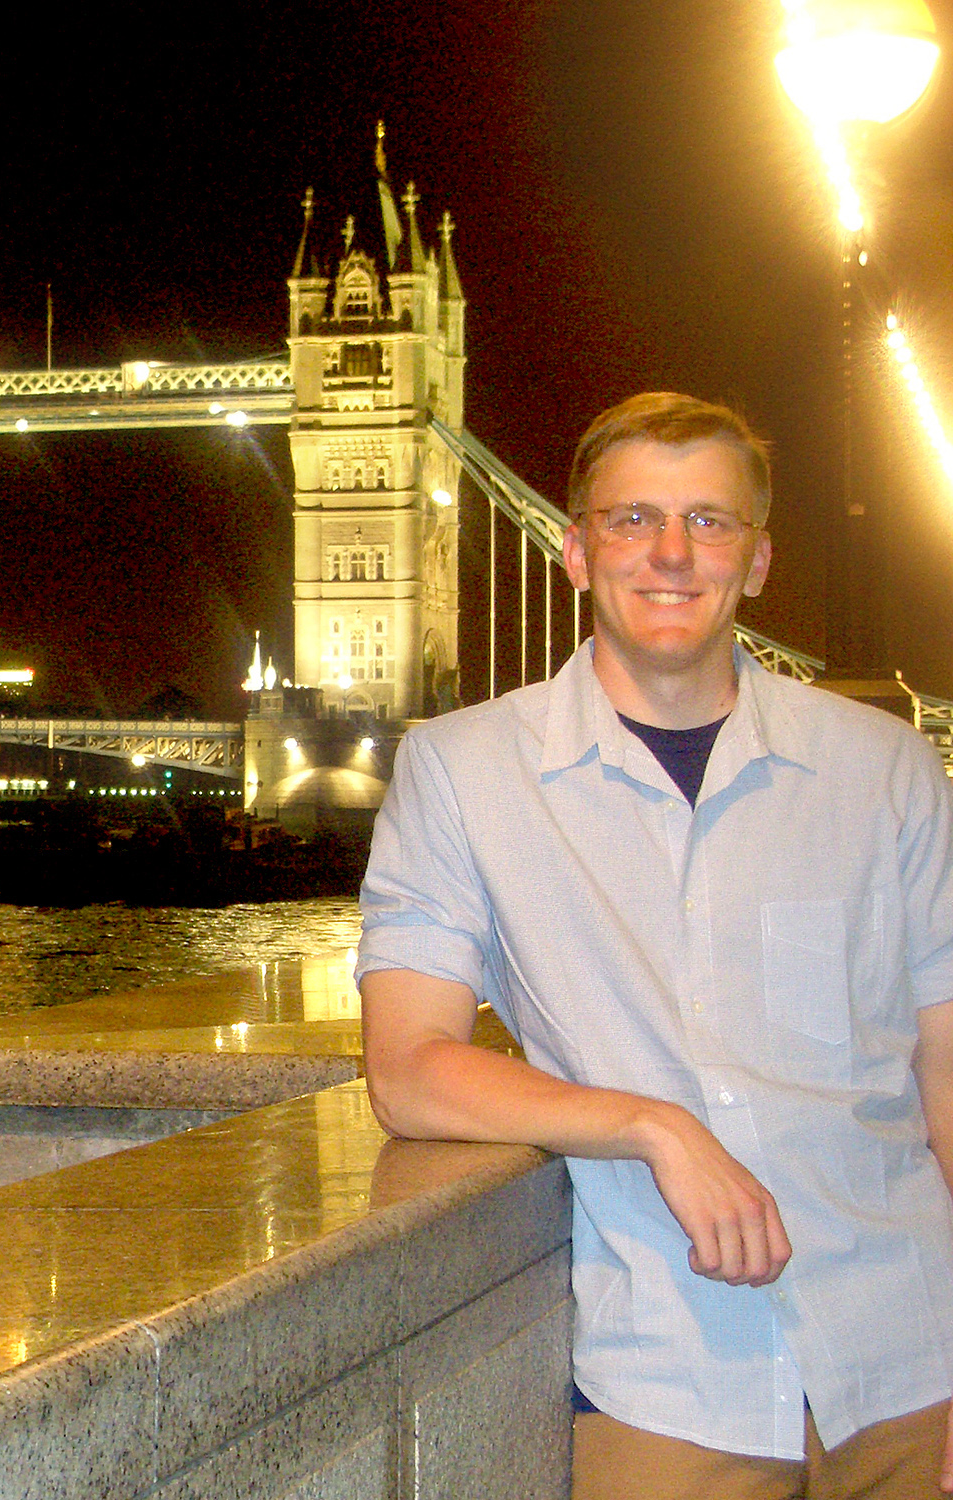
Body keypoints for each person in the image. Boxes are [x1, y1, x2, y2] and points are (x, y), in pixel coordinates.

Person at [356, 392, 953, 1499]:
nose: (670, 554)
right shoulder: (459, 772)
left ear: (757, 560)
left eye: (708, 523)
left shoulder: (889, 773)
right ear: (573, 552)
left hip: (910, 1364)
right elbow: (405, 1070)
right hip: (670, 1384)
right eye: (631, 522)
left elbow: (947, 1077)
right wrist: (648, 1125)